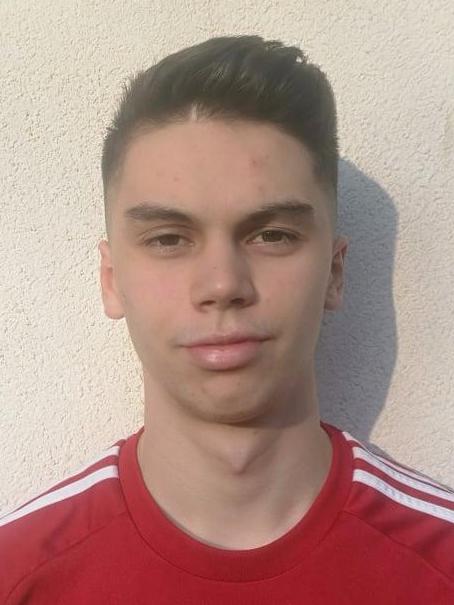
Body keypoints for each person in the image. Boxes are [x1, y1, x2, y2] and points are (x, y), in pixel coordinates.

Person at [1, 34, 453, 604]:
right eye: (168, 239)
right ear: (111, 279)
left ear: (335, 273)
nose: (222, 284)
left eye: (272, 235)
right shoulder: (17, 575)